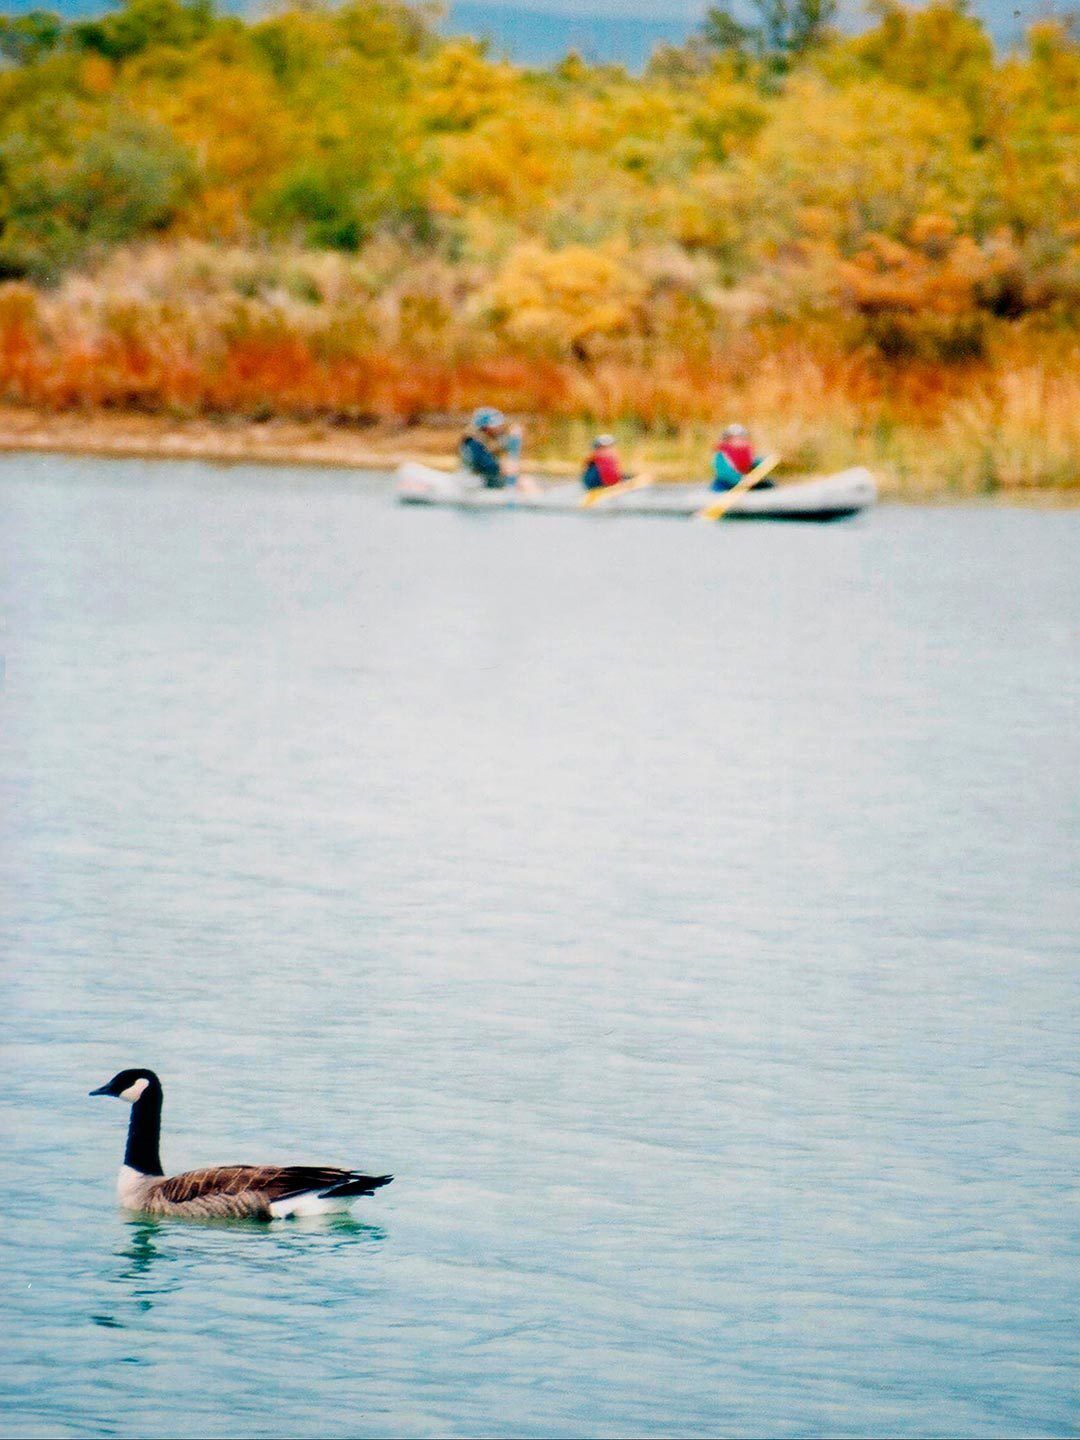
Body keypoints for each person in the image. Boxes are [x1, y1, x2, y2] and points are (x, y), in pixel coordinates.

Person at [459, 408, 523, 489]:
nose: (500, 428)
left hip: (484, 479)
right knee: (523, 483)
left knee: (523, 482)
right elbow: (487, 466)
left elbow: (500, 444)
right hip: (475, 482)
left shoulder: (486, 438)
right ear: (485, 428)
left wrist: (514, 439)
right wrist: (504, 468)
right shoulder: (473, 443)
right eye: (496, 426)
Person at [711, 423, 774, 492]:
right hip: (727, 481)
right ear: (728, 440)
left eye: (742, 438)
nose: (739, 441)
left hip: (746, 480)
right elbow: (725, 472)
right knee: (720, 487)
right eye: (735, 438)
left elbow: (754, 463)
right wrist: (741, 480)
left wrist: (763, 463)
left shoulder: (747, 451)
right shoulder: (722, 454)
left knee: (768, 484)